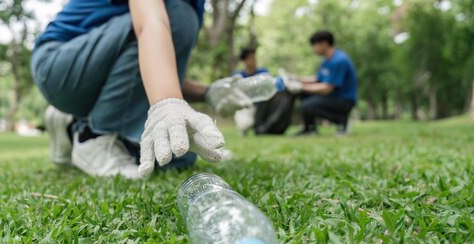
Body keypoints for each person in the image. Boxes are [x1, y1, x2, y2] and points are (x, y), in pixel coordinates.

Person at [34, 0, 251, 180]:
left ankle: (72, 126)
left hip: (89, 72)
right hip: (59, 63)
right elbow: (150, 24)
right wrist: (168, 103)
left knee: (175, 157)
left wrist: (207, 93)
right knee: (178, 14)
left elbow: (154, 66)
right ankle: (94, 137)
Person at [296, 31, 358, 135]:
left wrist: (301, 86)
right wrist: (296, 79)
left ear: (324, 44)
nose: (313, 49)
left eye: (314, 45)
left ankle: (342, 121)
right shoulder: (327, 60)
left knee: (306, 105)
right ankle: (309, 129)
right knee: (303, 94)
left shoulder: (339, 60)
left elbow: (326, 89)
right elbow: (317, 79)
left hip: (344, 100)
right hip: (333, 97)